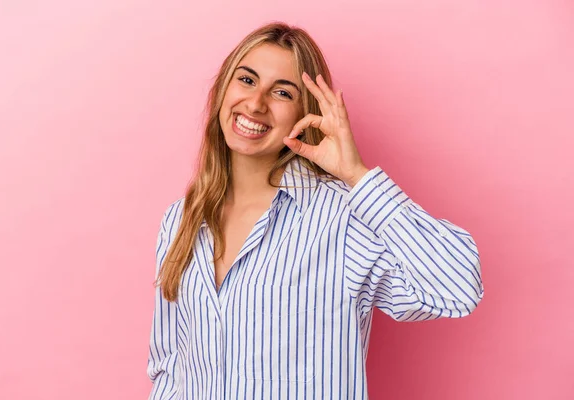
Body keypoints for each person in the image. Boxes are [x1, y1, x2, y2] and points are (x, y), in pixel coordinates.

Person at [146, 21, 484, 399]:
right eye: (246, 80)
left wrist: (356, 175)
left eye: (282, 92)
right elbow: (170, 368)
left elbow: (457, 288)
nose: (256, 103)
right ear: (223, 88)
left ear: (304, 114)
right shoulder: (181, 221)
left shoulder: (344, 219)